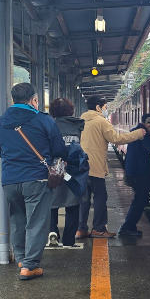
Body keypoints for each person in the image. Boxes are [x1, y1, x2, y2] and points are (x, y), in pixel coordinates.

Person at [0, 82, 68, 280]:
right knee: (36, 222)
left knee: (17, 219)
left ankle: (21, 258)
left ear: (13, 99)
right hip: (36, 179)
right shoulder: (44, 120)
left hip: (10, 180)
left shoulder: (0, 122)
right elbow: (59, 149)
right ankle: (29, 265)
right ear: (34, 100)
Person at [78, 96, 146, 238]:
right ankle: (99, 229)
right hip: (95, 167)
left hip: (81, 167)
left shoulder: (80, 121)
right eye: (105, 106)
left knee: (83, 199)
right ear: (98, 107)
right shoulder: (101, 122)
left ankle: (81, 229)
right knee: (100, 198)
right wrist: (138, 133)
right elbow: (116, 139)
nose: (105, 109)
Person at [118, 113, 150, 237]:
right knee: (140, 200)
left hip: (137, 173)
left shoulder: (137, 131)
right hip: (139, 174)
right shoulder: (142, 133)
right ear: (148, 124)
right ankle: (127, 228)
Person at [47, 98, 86, 248]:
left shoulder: (50, 125)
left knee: (52, 202)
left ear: (53, 111)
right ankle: (69, 240)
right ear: (71, 110)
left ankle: (52, 232)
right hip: (73, 170)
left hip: (54, 169)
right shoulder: (78, 126)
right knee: (73, 204)